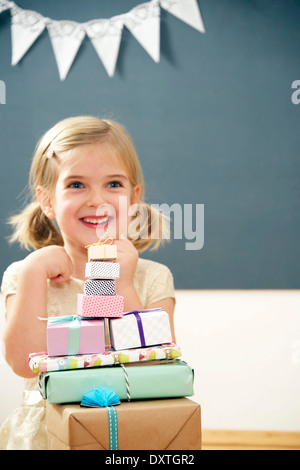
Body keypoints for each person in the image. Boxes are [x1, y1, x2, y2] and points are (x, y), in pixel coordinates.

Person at [0, 115, 176, 450]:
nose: (97, 200)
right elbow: (23, 362)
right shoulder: (25, 274)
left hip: (129, 428)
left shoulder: (152, 277)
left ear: (134, 197)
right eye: (76, 184)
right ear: (47, 200)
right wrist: (34, 272)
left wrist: (121, 285)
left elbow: (158, 369)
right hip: (47, 432)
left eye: (113, 184)